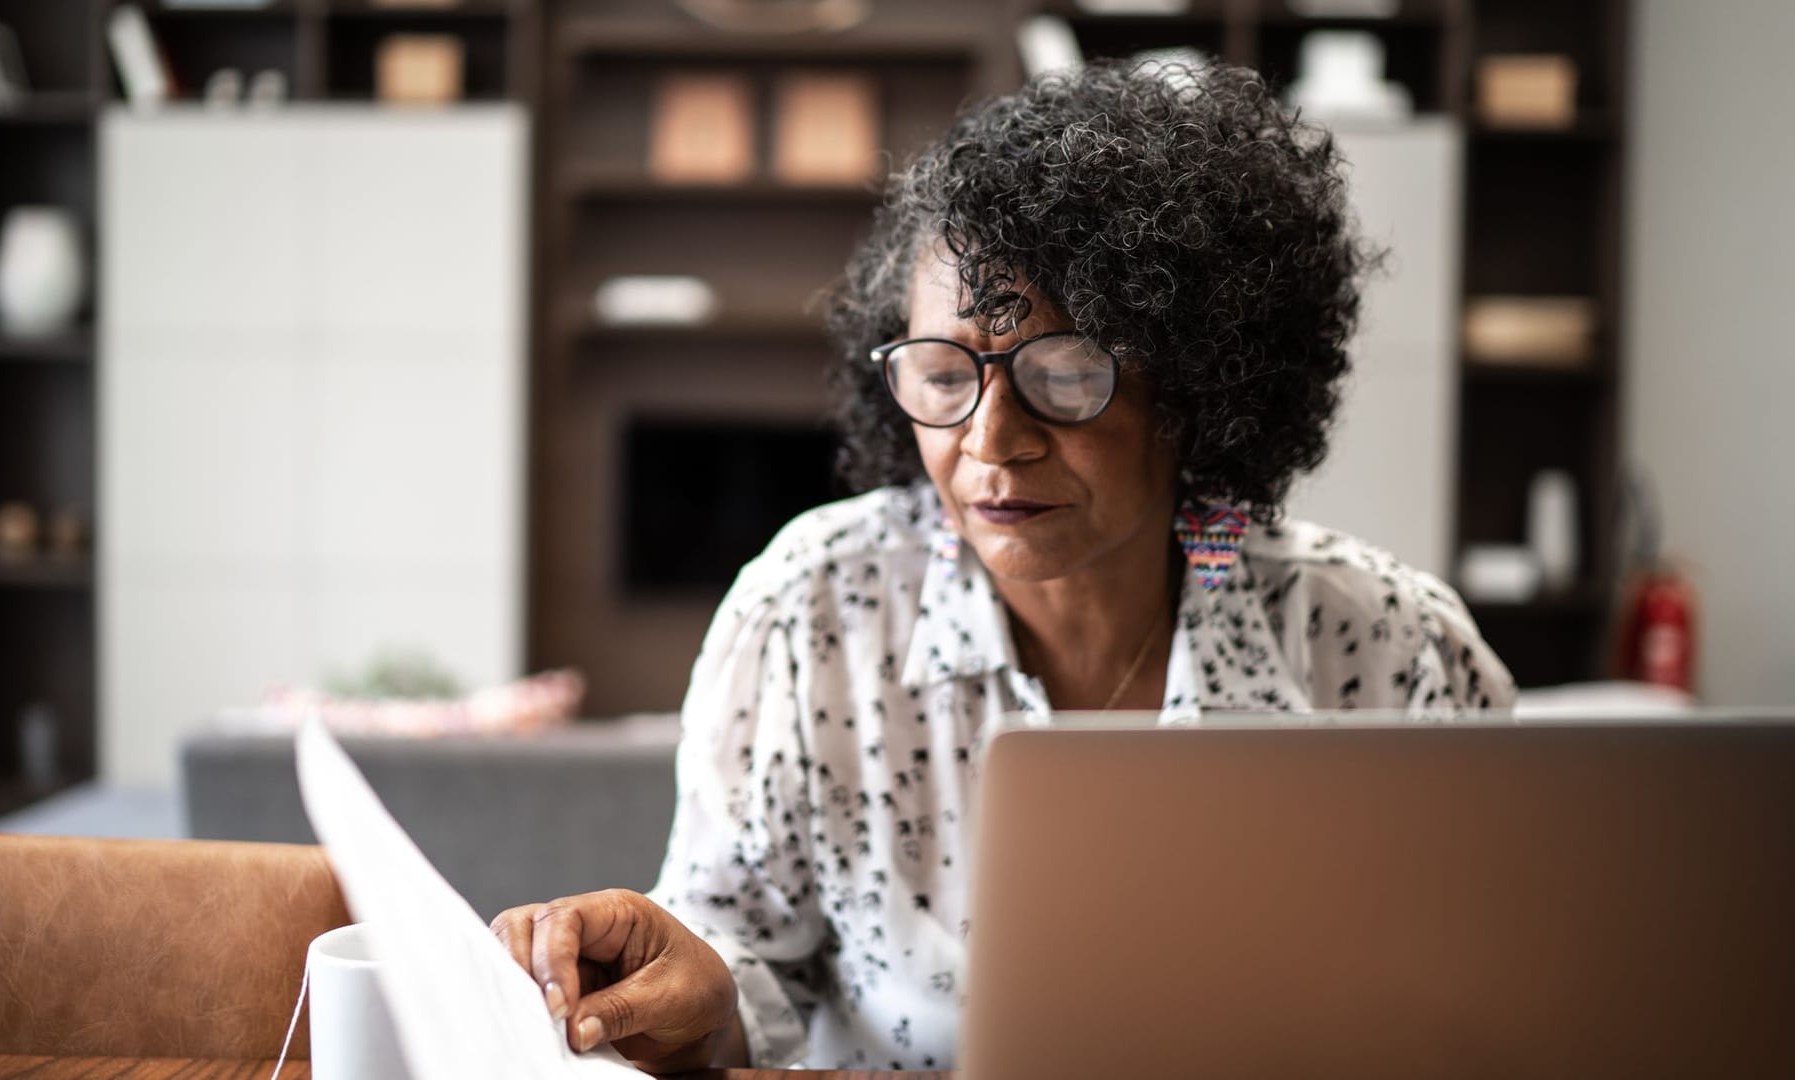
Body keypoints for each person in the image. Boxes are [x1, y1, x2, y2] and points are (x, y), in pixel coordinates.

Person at [491, 58, 1515, 1072]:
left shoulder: (1388, 651)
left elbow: (1489, 1009)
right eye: (943, 375)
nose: (990, 440)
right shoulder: (813, 612)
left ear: (1199, 388)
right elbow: (740, 977)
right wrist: (691, 998)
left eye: (1065, 376)